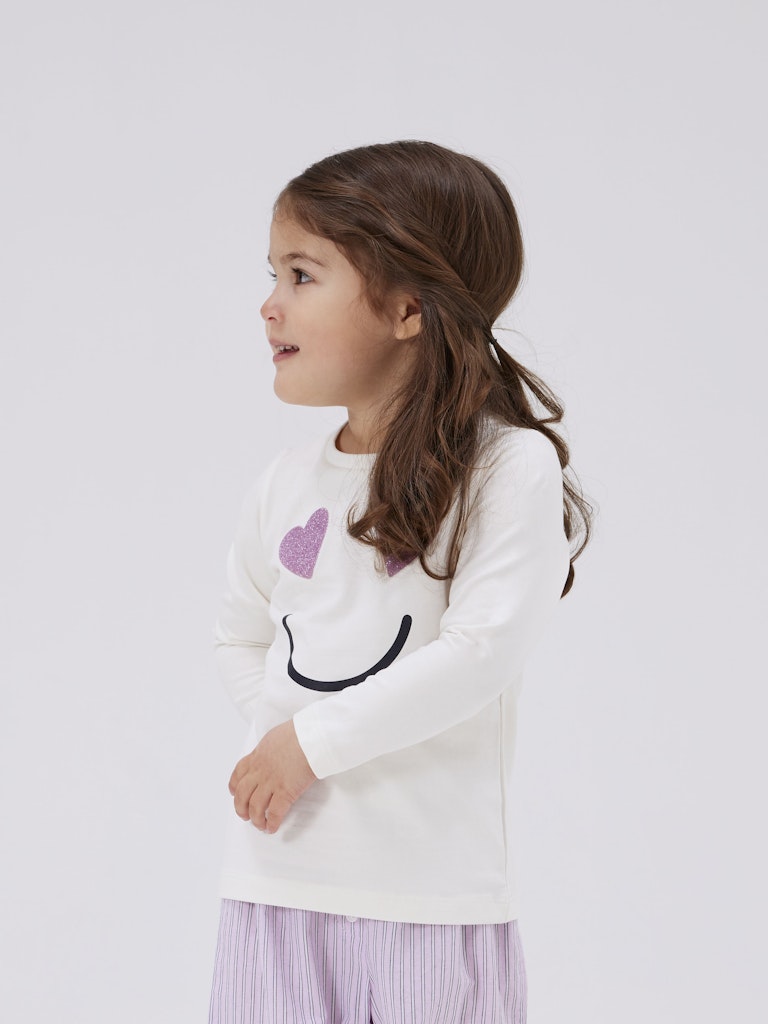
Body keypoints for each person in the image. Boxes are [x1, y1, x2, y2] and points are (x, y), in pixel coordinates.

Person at [208, 140, 593, 1024]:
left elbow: (480, 653)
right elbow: (241, 635)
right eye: (272, 275)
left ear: (407, 308)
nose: (268, 305)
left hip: (428, 901)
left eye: (302, 275)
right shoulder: (285, 484)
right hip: (276, 884)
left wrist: (309, 746)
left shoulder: (506, 469)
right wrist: (278, 739)